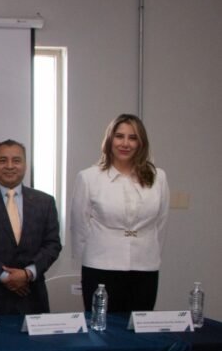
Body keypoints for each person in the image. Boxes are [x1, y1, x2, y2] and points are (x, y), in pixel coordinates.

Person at [70, 114, 170, 312]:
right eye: (119, 136)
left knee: (138, 326)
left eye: (132, 138)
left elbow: (161, 223)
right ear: (110, 139)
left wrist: (151, 255)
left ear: (141, 143)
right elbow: (79, 226)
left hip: (145, 266)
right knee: (102, 327)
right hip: (100, 266)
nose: (125, 143)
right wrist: (85, 259)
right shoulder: (89, 177)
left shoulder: (158, 177)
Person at [0, 140, 62, 314]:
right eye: (2, 160)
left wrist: (27, 273)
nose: (9, 166)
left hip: (31, 295)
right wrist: (5, 276)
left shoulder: (45, 202)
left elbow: (52, 244)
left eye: (16, 160)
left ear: (25, 164)